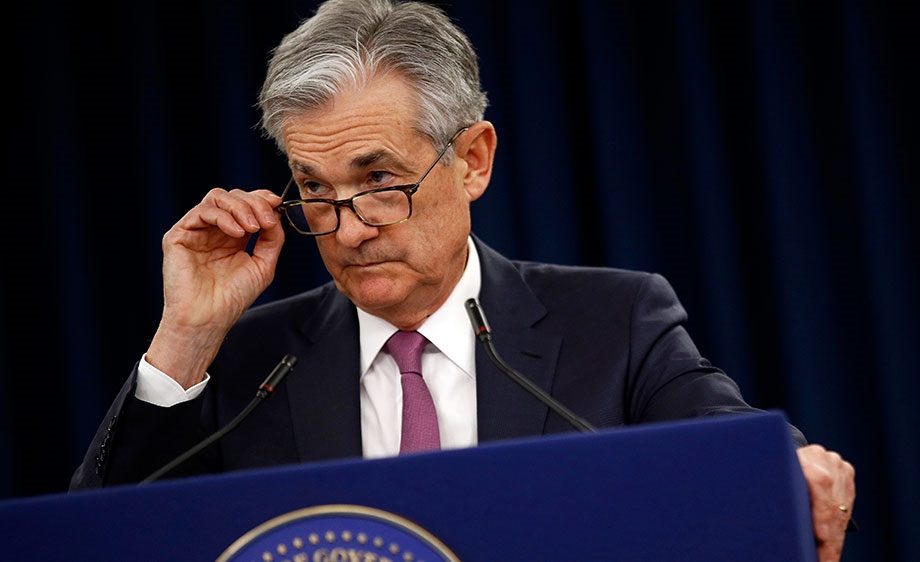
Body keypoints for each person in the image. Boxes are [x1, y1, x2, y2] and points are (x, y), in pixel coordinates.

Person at [69, 0, 855, 560]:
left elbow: (733, 446)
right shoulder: (246, 363)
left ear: (473, 160)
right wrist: (187, 337)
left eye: (379, 180)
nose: (348, 229)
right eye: (313, 188)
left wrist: (792, 469)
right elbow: (98, 543)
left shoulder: (613, 321)